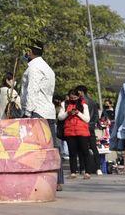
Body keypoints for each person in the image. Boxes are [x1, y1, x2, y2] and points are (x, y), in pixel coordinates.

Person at [20, 41, 64, 191]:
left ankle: (42, 179)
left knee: (37, 147)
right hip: (48, 111)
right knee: (51, 147)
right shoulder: (47, 67)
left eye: (26, 51)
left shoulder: (34, 68)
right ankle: (57, 180)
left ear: (30, 52)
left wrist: (27, 113)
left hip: (36, 110)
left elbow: (32, 90)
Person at [58, 89, 95, 179]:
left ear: (79, 97)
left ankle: (87, 172)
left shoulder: (84, 105)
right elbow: (60, 117)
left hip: (82, 131)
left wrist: (78, 113)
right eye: (71, 97)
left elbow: (87, 119)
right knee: (72, 153)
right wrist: (68, 113)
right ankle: (73, 172)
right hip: (70, 132)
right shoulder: (65, 104)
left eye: (75, 97)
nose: (73, 98)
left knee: (85, 152)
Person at [75, 85, 102, 174]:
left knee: (82, 148)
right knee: (94, 147)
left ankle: (83, 168)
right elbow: (96, 116)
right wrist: (93, 124)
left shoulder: (79, 103)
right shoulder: (92, 102)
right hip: (90, 127)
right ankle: (98, 168)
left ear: (80, 92)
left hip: (82, 127)